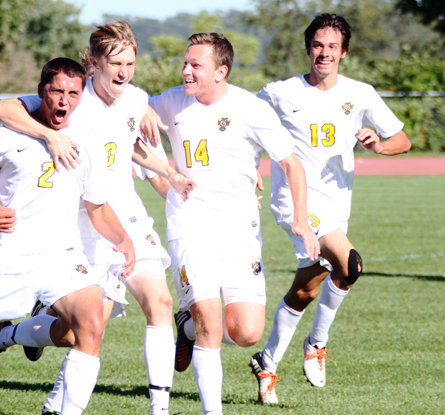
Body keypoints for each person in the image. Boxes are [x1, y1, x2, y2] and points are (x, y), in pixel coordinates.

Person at [0, 21, 193, 415]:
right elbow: (1, 108)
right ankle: (8, 337)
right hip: (81, 223)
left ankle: (159, 410)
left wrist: (169, 174)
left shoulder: (135, 99)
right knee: (76, 332)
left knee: (160, 302)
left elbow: (131, 148)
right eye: (115, 63)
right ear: (92, 63)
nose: (123, 72)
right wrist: (49, 135)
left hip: (125, 215)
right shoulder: (72, 99)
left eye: (130, 63)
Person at [0, 57, 136, 415]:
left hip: (63, 255)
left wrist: (124, 239)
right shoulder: (7, 135)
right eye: (56, 91)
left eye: (73, 93)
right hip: (11, 255)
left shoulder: (86, 143)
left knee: (91, 325)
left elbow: (97, 206)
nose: (64, 101)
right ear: (40, 93)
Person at [140, 32, 319, 415]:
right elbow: (129, 118)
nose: (185, 71)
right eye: (185, 63)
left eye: (195, 65)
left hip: (240, 232)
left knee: (245, 331)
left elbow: (291, 164)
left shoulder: (250, 108)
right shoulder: (169, 101)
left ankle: (185, 328)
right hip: (189, 227)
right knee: (212, 322)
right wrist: (142, 112)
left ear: (221, 71)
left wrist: (301, 221)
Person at [248, 13, 411, 404]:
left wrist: (378, 145)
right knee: (350, 263)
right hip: (296, 202)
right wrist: (250, 168)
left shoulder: (361, 93)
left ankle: (267, 362)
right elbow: (246, 124)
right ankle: (316, 344)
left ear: (344, 52)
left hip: (338, 203)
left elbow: (402, 140)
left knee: (306, 289)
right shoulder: (281, 92)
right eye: (318, 45)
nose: (324, 53)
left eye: (332, 46)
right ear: (308, 49)